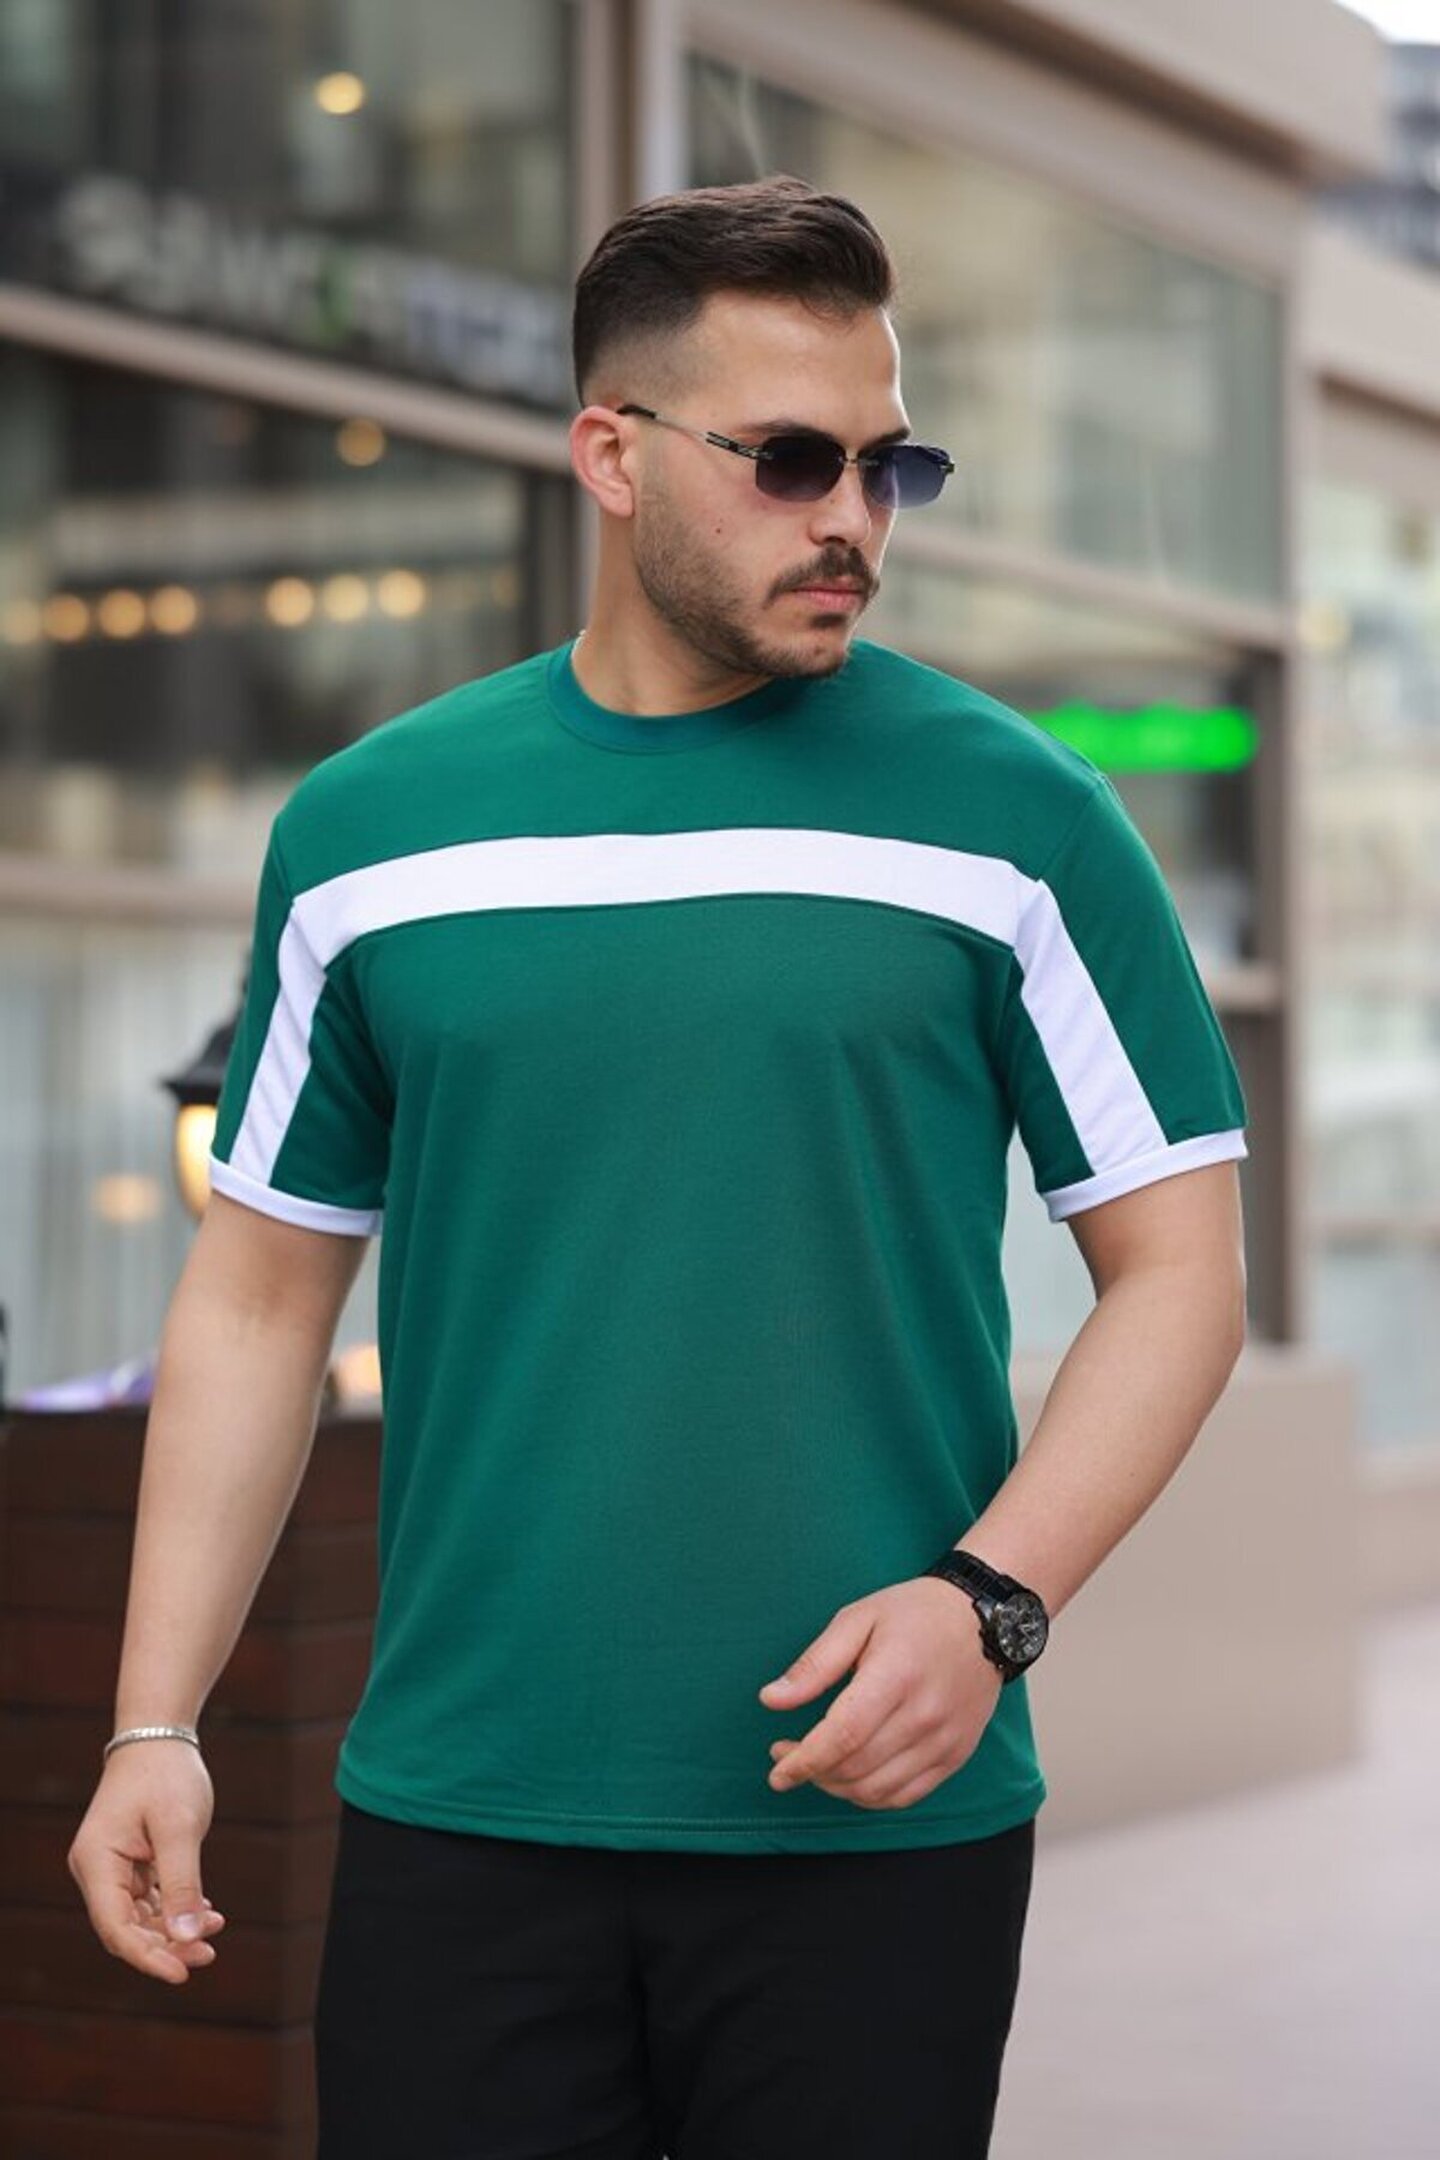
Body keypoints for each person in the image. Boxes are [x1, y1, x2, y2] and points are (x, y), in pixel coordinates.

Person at [68, 175, 1249, 2160]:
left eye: (888, 465)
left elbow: (1184, 1271)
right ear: (612, 456)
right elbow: (260, 1298)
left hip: (875, 1829)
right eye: (790, 461)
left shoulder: (1021, 822)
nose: (853, 519)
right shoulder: (371, 833)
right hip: (461, 1817)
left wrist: (993, 1604)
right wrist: (153, 1718)